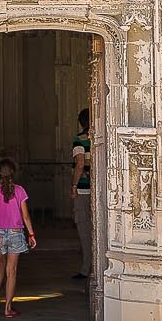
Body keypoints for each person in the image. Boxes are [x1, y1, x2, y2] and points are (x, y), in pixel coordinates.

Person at [0, 157, 36, 318]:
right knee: (12, 270)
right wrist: (31, 234)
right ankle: (8, 308)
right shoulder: (20, 190)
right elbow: (26, 215)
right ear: (13, 173)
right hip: (15, 232)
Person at [70, 109, 93, 281]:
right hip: (100, 189)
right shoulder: (100, 137)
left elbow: (79, 164)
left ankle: (87, 269)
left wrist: (73, 186)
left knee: (84, 229)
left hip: (84, 190)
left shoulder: (80, 139)